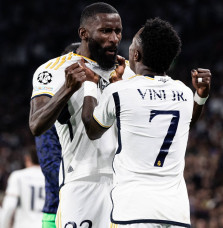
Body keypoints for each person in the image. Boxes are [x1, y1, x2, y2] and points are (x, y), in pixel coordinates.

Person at [81, 18, 211, 227]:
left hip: (135, 210)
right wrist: (201, 97)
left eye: (131, 44)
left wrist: (90, 84)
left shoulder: (119, 92)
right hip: (175, 212)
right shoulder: (184, 92)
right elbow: (186, 125)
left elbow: (92, 129)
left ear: (136, 55)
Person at [28, 2, 135, 228]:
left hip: (124, 187)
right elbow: (36, 125)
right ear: (84, 34)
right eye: (106, 31)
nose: (114, 39)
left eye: (117, 31)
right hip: (81, 184)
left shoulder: (127, 73)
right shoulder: (53, 70)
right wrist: (67, 89)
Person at [34, 42, 80, 228]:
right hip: (58, 210)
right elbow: (50, 164)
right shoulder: (52, 112)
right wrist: (80, 192)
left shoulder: (95, 106)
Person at [0, 149, 45, 228]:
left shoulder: (18, 176)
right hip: (45, 225)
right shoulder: (51, 177)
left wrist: (3, 226)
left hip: (23, 225)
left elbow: (9, 206)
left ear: (27, 158)